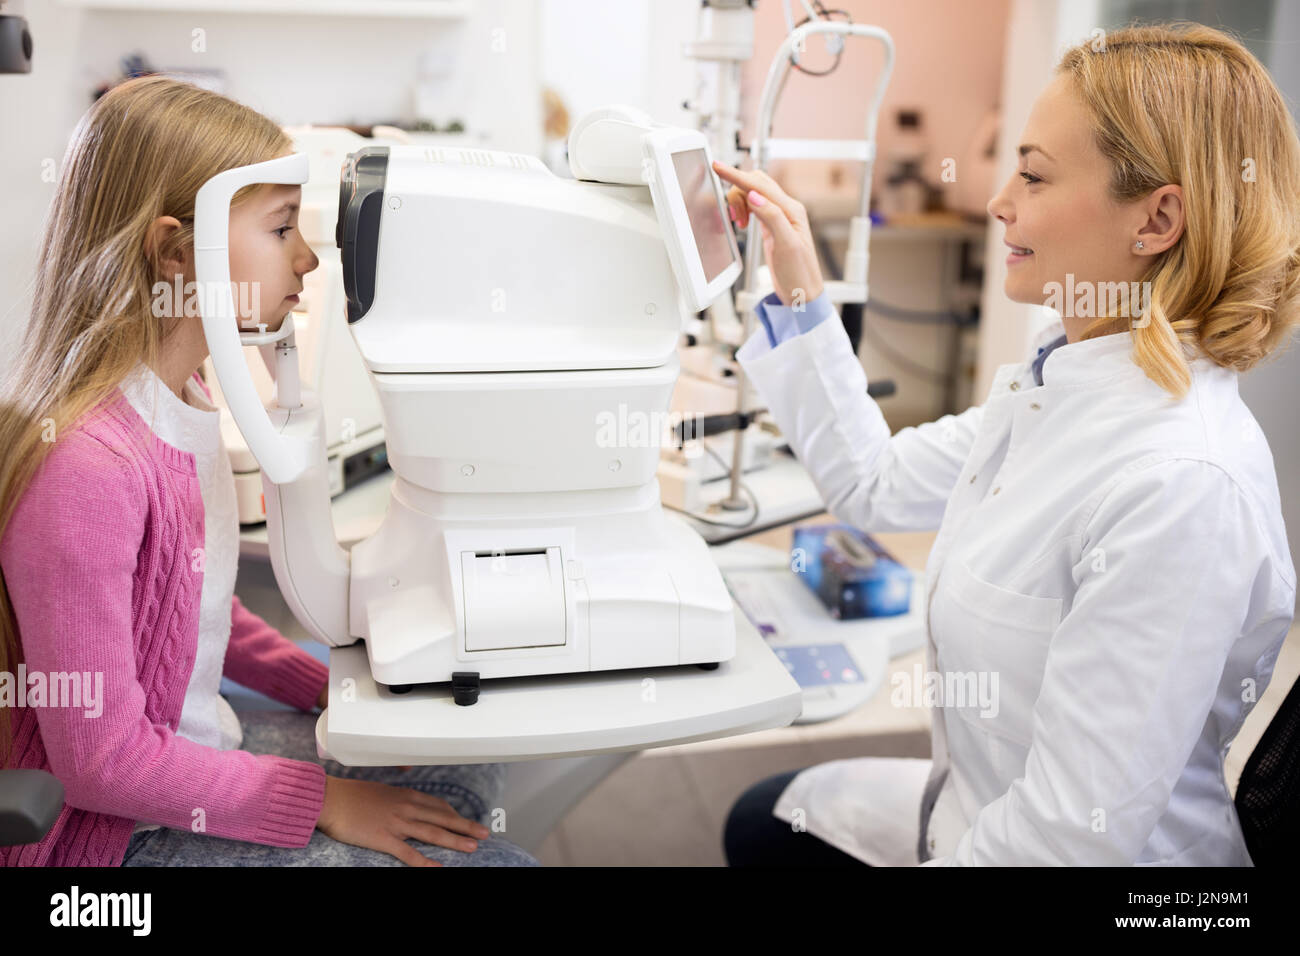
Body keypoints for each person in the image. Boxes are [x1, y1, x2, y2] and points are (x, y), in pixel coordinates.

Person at [714, 22, 1298, 866]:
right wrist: (800, 278)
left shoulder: (1179, 486)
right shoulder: (1061, 382)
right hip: (975, 804)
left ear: (1158, 217)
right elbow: (873, 484)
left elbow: (1066, 846)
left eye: (1032, 173)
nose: (997, 201)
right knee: (767, 817)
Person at [0, 75, 538, 867]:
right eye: (283, 228)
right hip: (114, 842)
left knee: (465, 757)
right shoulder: (88, 467)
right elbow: (102, 763)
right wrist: (323, 800)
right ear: (179, 249)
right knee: (494, 863)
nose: (310, 257)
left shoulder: (181, 395)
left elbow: (189, 611)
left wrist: (314, 682)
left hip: (181, 749)